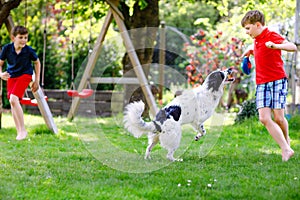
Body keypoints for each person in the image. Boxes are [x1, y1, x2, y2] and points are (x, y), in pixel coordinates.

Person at [241, 10, 297, 161]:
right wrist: (250, 50)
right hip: (261, 83)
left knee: (279, 118)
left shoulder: (271, 35)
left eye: (248, 28)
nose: (246, 32)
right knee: (264, 118)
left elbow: (293, 47)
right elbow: (260, 50)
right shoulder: (256, 39)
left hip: (277, 80)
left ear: (258, 25)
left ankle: (287, 142)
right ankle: (285, 149)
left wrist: (276, 46)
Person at [0, 25, 41, 140]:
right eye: (21, 37)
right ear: (13, 38)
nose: (24, 40)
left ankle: (23, 130)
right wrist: (1, 74)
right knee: (12, 102)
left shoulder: (29, 51)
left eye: (26, 37)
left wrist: (36, 80)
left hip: (25, 75)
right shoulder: (7, 49)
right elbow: (0, 64)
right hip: (11, 77)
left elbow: (37, 63)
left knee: (13, 99)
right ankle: (19, 132)